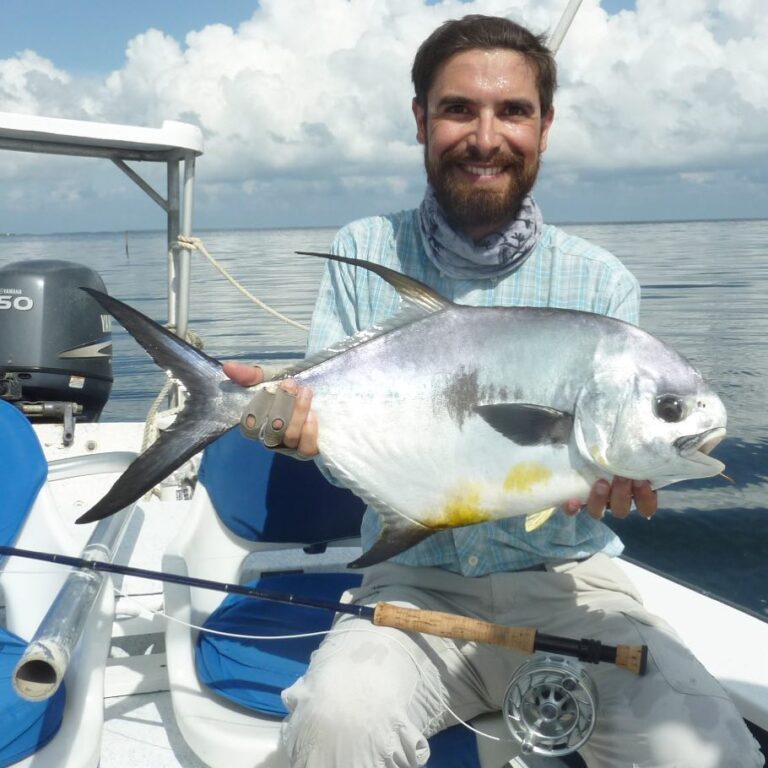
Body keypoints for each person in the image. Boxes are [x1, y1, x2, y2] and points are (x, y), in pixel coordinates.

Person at [226, 15, 764, 768]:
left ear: (545, 126)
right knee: (334, 729)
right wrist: (292, 426)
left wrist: (621, 472)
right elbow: (344, 434)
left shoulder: (604, 283)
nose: (486, 137)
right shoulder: (364, 251)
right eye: (458, 110)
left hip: (572, 584)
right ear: (420, 121)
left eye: (513, 111)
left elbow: (597, 444)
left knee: (713, 753)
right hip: (412, 583)